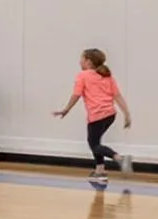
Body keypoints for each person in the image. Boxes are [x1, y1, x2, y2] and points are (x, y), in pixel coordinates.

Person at [55, 47, 135, 183]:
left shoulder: (83, 76)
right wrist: (127, 114)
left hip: (97, 115)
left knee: (94, 144)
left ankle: (119, 158)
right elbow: (118, 96)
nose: (79, 61)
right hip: (110, 115)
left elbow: (76, 95)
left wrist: (66, 109)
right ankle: (100, 171)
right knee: (96, 142)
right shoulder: (107, 76)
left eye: (82, 58)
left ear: (89, 61)